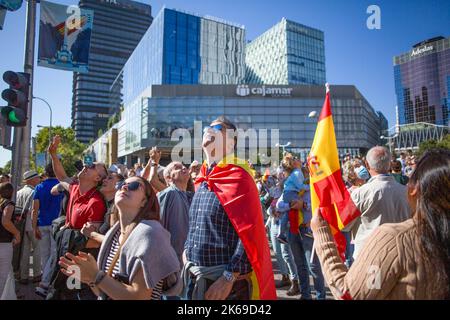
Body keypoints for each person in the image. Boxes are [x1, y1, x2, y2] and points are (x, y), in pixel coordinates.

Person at [312, 148, 450, 299]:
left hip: (372, 267)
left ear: (415, 190)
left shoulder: (361, 194)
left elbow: (351, 294)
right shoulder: (402, 191)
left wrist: (322, 234)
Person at [183, 116, 276, 300]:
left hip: (226, 287)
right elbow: (196, 225)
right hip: (195, 278)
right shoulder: (201, 180)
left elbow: (249, 234)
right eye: (206, 128)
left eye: (217, 128)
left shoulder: (239, 177)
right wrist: (186, 253)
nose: (208, 130)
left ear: (231, 143)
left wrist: (228, 278)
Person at [59, 177, 181, 300]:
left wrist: (96, 276)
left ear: (144, 201)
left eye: (134, 185)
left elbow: (139, 297)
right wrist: (90, 278)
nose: (125, 186)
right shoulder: (115, 234)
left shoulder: (151, 234)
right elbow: (103, 292)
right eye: (122, 184)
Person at [345, 146, 411, 259]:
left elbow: (344, 224)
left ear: (367, 164)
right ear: (389, 164)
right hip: (401, 257)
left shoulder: (360, 194)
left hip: (369, 258)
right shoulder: (406, 192)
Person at [31, 163, 64, 290]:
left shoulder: (39, 187)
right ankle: (48, 280)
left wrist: (34, 227)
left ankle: (46, 279)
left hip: (42, 224)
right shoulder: (61, 186)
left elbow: (35, 210)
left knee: (45, 254)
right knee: (53, 254)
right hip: (56, 224)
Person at [81, 172, 125, 245]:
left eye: (110, 178)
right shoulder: (102, 203)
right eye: (105, 178)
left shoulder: (117, 208)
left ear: (119, 185)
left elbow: (115, 242)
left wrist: (91, 234)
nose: (104, 180)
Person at [16, 170, 41, 284]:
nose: (39, 180)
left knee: (24, 251)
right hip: (32, 224)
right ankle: (36, 275)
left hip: (21, 225)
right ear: (31, 180)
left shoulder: (19, 192)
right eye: (37, 178)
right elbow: (35, 210)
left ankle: (23, 276)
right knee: (37, 249)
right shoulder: (34, 191)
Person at [276, 154, 308, 244]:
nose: (299, 160)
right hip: (291, 193)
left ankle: (281, 233)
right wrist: (311, 186)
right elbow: (300, 186)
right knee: (296, 207)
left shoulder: (296, 172)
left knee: (287, 212)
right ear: (294, 164)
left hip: (288, 193)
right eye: (297, 159)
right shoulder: (297, 172)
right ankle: (290, 231)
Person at [0, 183, 19, 299]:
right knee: (2, 276)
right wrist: (17, 233)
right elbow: (6, 221)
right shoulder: (9, 203)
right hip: (4, 243)